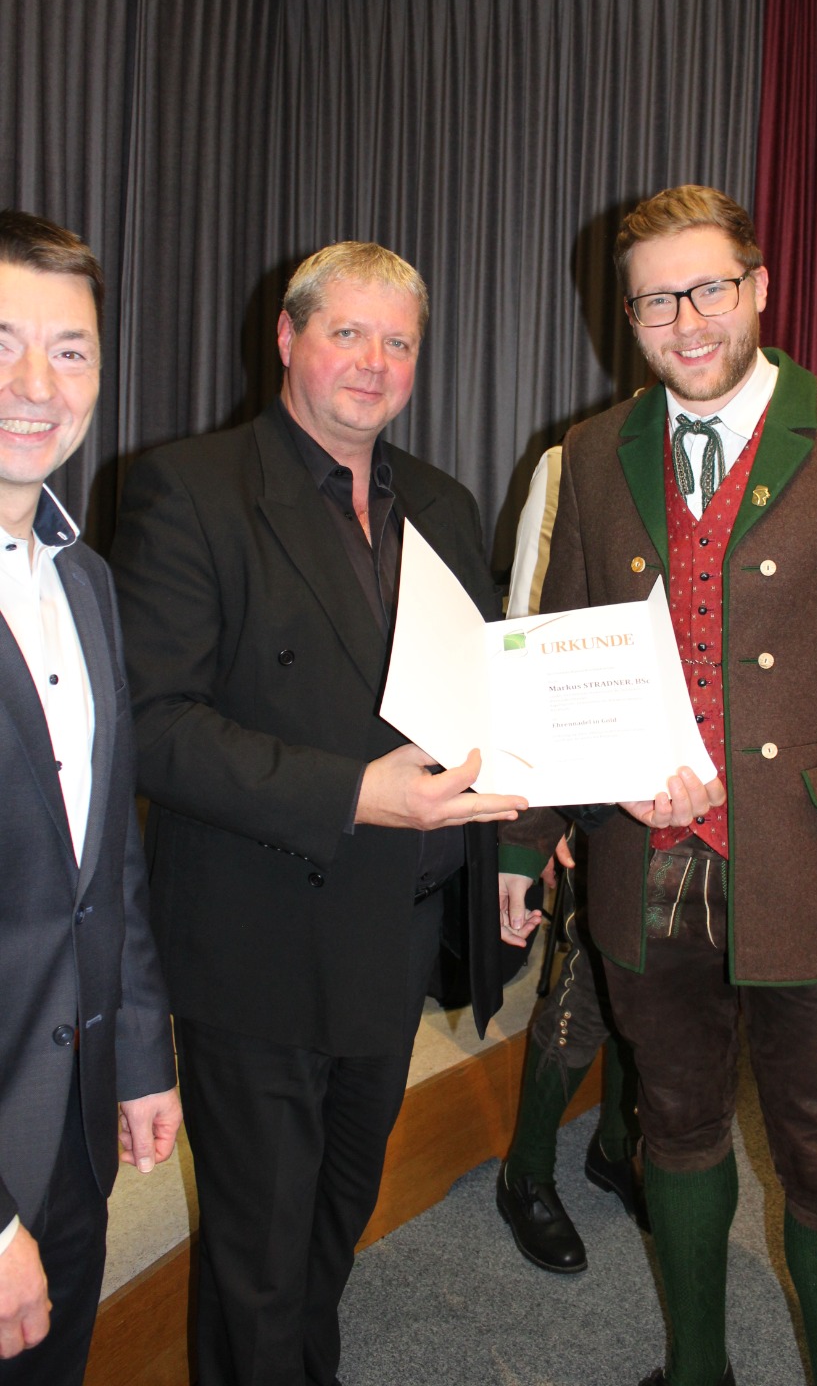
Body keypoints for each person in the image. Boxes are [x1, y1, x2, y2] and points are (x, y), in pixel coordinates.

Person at [498, 185, 817, 1386]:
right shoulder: (593, 452)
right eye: (655, 300)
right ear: (626, 317)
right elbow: (561, 651)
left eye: (708, 287)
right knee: (674, 1125)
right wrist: (528, 833)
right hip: (645, 865)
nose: (686, 320)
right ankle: (697, 1369)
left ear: (759, 286)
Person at [109, 241, 528, 1386]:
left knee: (338, 1214)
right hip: (256, 937)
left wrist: (521, 839)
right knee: (256, 1252)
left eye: (398, 342)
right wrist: (352, 792)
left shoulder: (443, 502)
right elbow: (152, 723)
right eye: (348, 332)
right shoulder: (187, 488)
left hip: (392, 934)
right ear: (287, 338)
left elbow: (484, 693)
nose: (373, 362)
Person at [0, 210, 180, 1384]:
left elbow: (106, 853)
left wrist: (140, 1051)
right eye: (2, 342)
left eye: (69, 350)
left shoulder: (87, 580)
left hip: (68, 1126)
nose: (36, 385)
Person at [497, 446, 647, 1276]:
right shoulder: (571, 465)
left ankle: (615, 1145)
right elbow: (530, 637)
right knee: (587, 990)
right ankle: (525, 1171)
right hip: (596, 780)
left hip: (693, 790)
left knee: (653, 988)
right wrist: (542, 814)